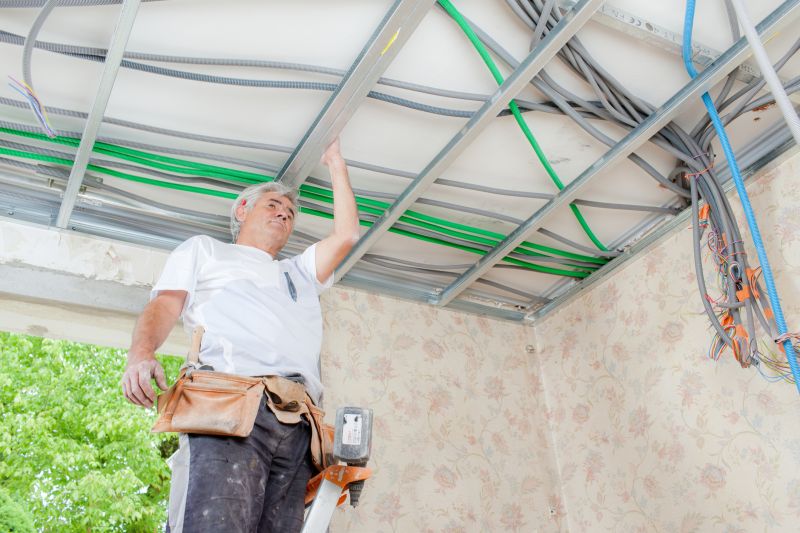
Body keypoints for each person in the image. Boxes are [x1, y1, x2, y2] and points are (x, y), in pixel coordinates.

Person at [121, 139, 359, 532]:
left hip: (298, 423)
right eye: (273, 205)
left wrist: (335, 161)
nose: (284, 214)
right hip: (230, 405)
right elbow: (164, 305)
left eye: (290, 213)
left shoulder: (297, 272)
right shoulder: (206, 251)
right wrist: (141, 353)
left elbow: (347, 235)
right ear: (242, 210)